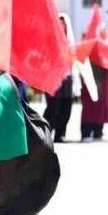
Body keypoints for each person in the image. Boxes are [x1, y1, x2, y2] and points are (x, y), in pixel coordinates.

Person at [43, 14, 77, 143]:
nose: (61, 26)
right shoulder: (50, 39)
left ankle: (60, 134)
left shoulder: (70, 42)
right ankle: (45, 134)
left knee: (66, 106)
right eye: (59, 23)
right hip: (53, 78)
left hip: (67, 78)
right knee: (53, 107)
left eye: (63, 23)